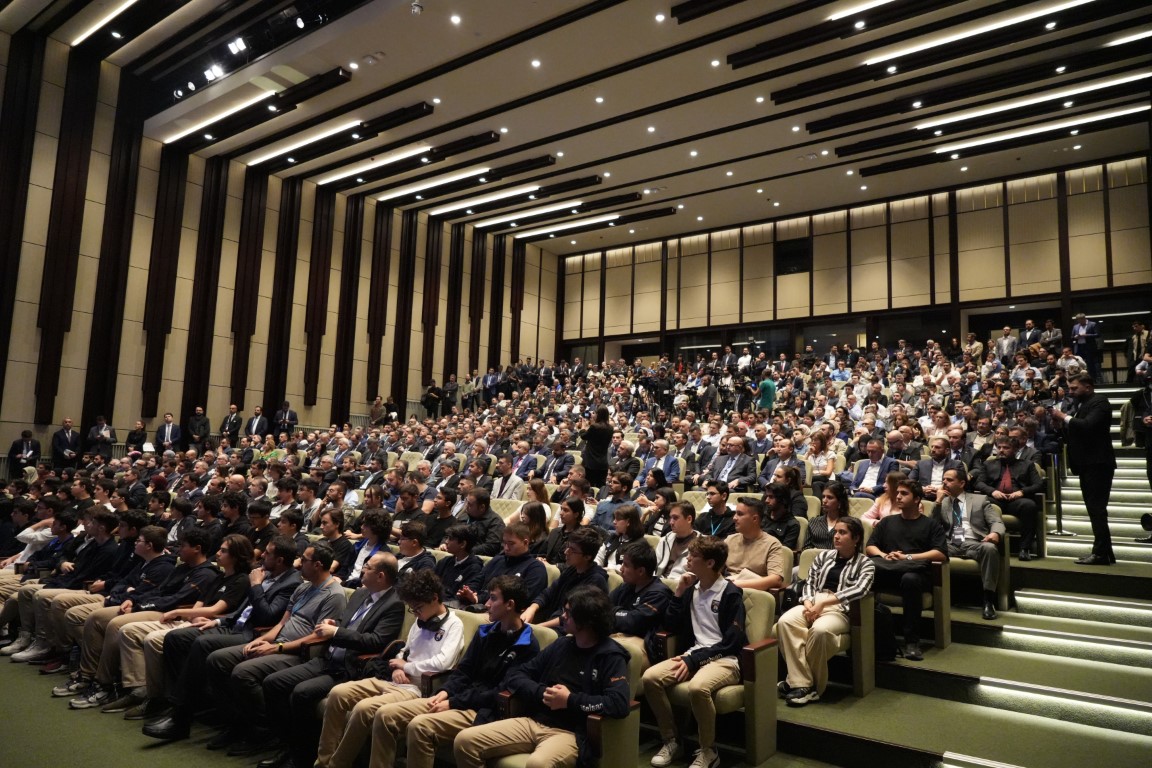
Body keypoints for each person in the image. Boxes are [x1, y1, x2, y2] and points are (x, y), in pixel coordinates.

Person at [368, 575, 540, 768]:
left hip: (483, 710)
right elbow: (463, 672)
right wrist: (445, 692)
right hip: (458, 698)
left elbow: (499, 691)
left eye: (493, 598)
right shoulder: (485, 632)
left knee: (420, 726)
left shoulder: (527, 645)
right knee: (385, 714)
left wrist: (453, 702)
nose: (486, 603)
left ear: (510, 604)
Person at [453, 587, 631, 768]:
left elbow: (618, 703)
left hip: (568, 732)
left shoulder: (610, 656)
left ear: (586, 620)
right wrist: (542, 693)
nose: (563, 616)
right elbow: (516, 675)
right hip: (532, 721)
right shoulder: (561, 644)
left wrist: (569, 700)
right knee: (465, 741)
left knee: (538, 764)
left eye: (568, 613)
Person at [258, 551, 406, 768]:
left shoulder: (394, 604)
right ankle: (288, 745)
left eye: (368, 567)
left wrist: (336, 632)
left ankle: (301, 757)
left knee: (302, 693)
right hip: (327, 658)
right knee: (273, 683)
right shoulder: (359, 594)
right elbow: (344, 625)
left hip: (350, 668)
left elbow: (375, 641)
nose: (363, 569)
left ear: (381, 576)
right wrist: (333, 623)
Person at [316, 569, 464, 768]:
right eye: (412, 609)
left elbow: (442, 663)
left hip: (417, 689)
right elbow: (404, 651)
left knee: (363, 708)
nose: (416, 613)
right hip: (395, 679)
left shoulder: (454, 625)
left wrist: (407, 666)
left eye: (418, 608)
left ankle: (336, 764)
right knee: (338, 693)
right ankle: (323, 761)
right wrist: (398, 667)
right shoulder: (419, 622)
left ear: (435, 598)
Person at [644, 536, 747, 768]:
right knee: (650, 678)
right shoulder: (691, 589)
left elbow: (732, 642)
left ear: (710, 563)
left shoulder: (731, 594)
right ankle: (672, 741)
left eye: (693, 556)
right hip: (695, 654)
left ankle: (709, 750)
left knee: (698, 688)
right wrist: (679, 592)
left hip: (726, 659)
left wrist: (694, 660)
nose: (688, 559)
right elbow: (670, 625)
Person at [777, 516, 874, 706]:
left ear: (856, 538)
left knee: (820, 631)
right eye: (835, 532)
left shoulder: (866, 564)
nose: (836, 536)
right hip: (814, 602)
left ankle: (808, 686)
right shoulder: (822, 557)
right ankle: (804, 684)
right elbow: (809, 582)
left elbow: (860, 590)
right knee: (785, 621)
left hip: (840, 609)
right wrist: (807, 602)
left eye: (842, 533)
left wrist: (825, 603)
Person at [865, 479, 947, 661]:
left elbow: (940, 553)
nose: (898, 496)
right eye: (898, 493)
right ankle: (866, 634)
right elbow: (870, 547)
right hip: (888, 570)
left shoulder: (930, 525)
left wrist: (908, 557)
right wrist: (884, 555)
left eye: (904, 493)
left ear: (917, 499)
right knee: (865, 572)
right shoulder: (887, 522)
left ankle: (912, 641)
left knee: (910, 579)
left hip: (916, 575)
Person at [1049, 372, 1116, 564]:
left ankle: (1101, 554)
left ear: (1088, 386)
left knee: (1096, 509)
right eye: (1070, 388)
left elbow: (1088, 426)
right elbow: (1077, 433)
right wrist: (1061, 424)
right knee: (1095, 509)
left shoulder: (1100, 402)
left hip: (1098, 464)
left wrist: (1064, 416)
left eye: (1074, 388)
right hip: (1087, 463)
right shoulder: (1083, 405)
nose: (1070, 391)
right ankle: (1106, 552)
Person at [933, 467, 1004, 620]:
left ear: (962, 483)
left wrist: (995, 533)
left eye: (950, 480)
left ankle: (988, 601)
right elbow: (930, 527)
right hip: (950, 543)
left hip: (975, 542)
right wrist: (937, 502)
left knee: (990, 548)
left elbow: (996, 521)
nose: (944, 483)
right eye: (943, 480)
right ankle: (931, 596)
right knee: (928, 550)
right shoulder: (943, 502)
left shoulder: (980, 500)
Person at [972, 437, 1043, 561]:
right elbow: (979, 483)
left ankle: (1024, 548)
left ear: (1015, 449)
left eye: (1006, 448)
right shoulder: (988, 464)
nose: (1001, 450)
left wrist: (1022, 492)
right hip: (995, 499)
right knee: (981, 502)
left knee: (1029, 506)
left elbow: (1038, 484)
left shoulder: (1027, 464)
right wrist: (992, 491)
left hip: (1016, 500)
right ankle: (981, 543)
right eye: (999, 447)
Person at [580, 406, 614, 487]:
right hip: (602, 462)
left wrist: (583, 426)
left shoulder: (594, 427)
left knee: (589, 486)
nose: (592, 415)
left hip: (591, 462)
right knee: (600, 487)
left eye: (594, 413)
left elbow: (583, 436)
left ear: (599, 415)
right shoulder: (610, 428)